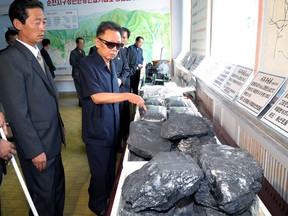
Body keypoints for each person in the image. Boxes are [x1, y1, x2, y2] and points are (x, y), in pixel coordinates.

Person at [0, 1, 66, 215]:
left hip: (52, 141)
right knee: (43, 203)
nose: (42, 27)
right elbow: (17, 112)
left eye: (44, 22)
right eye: (36, 22)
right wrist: (35, 150)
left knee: (55, 196)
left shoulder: (36, 53)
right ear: (18, 24)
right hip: (37, 147)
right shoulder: (10, 59)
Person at [76, 21, 146, 216]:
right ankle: (98, 206)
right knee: (99, 173)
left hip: (111, 127)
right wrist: (127, 95)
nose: (115, 49)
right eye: (110, 44)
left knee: (108, 171)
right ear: (97, 41)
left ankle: (108, 199)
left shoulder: (112, 63)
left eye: (119, 45)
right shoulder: (87, 64)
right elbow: (97, 96)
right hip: (97, 130)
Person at [113, 27, 137, 151]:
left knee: (124, 115)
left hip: (125, 87)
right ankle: (116, 141)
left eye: (124, 37)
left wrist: (122, 79)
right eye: (119, 36)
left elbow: (131, 69)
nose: (121, 39)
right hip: (112, 89)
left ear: (127, 39)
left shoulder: (130, 53)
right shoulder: (113, 51)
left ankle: (124, 139)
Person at [69, 37, 86, 106]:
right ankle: (81, 103)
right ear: (77, 43)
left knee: (83, 89)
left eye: (83, 43)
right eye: (80, 43)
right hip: (77, 74)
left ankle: (83, 102)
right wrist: (81, 64)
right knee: (79, 89)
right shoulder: (73, 52)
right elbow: (72, 63)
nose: (82, 44)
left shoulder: (83, 52)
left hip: (83, 74)